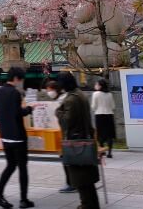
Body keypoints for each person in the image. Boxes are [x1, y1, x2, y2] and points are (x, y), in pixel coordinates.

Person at [55, 72, 100, 209]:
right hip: (85, 138)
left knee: (80, 180)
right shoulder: (80, 94)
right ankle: (91, 204)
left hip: (76, 144)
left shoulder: (70, 99)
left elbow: (67, 122)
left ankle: (86, 205)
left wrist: (58, 112)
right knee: (88, 181)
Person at [0, 67, 35, 209]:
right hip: (18, 137)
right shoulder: (15, 93)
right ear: (16, 78)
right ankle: (23, 200)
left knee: (10, 165)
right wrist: (29, 109)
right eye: (21, 79)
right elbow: (18, 113)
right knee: (22, 168)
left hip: (5, 136)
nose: (20, 82)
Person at [45, 80, 76, 194]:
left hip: (66, 134)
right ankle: (71, 183)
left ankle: (71, 183)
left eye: (49, 90)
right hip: (62, 133)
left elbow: (64, 118)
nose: (48, 92)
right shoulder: (60, 99)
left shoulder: (63, 99)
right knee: (66, 160)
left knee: (67, 160)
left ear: (55, 89)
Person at [92, 78, 116, 158]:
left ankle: (102, 151)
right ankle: (110, 152)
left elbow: (93, 106)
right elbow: (113, 106)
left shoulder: (96, 94)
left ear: (100, 86)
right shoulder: (110, 94)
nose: (95, 86)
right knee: (109, 134)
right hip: (109, 114)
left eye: (96, 84)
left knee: (100, 134)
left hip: (99, 115)